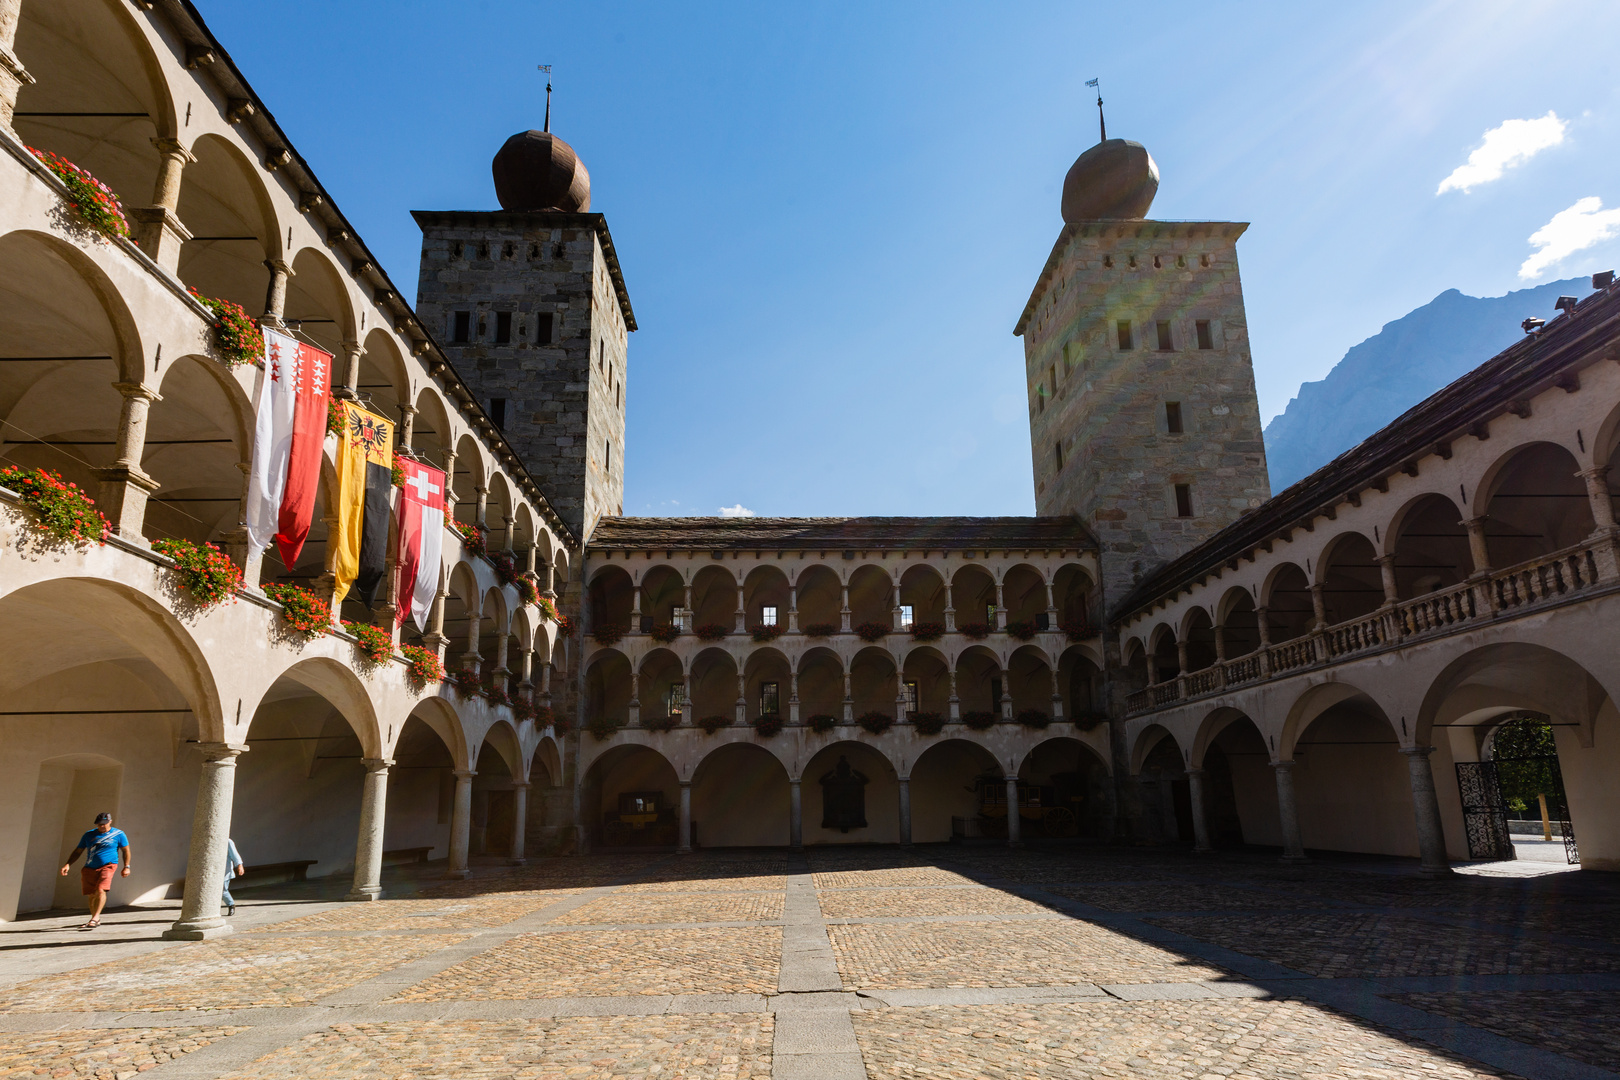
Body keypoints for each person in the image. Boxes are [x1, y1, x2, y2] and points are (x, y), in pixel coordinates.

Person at [59, 812, 130, 930]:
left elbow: (126, 850)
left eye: (104, 824)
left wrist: (126, 866)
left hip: (109, 865)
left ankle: (95, 917)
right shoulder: (89, 835)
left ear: (110, 822)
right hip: (90, 867)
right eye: (99, 824)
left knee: (101, 890)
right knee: (92, 894)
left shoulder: (118, 834)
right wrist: (68, 864)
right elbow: (78, 851)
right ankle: (95, 918)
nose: (102, 826)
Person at [223, 838, 245, 916]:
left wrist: (239, 865)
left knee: (222, 890)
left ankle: (231, 905)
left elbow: (234, 854)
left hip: (225, 871)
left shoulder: (228, 841)